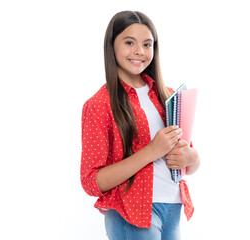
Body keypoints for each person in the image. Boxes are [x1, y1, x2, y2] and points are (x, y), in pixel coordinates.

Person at [80, 10, 200, 240]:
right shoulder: (99, 104)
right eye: (129, 42)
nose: (139, 51)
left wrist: (193, 158)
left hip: (172, 207)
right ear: (111, 46)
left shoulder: (169, 97)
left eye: (147, 44)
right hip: (132, 213)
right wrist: (151, 151)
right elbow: (91, 182)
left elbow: (187, 162)